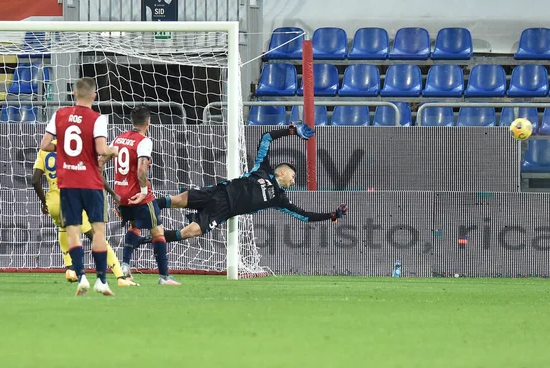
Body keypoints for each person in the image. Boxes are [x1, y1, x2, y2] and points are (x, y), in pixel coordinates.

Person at [155, 123, 348, 243]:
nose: (294, 180)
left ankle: (152, 238)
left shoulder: (279, 199)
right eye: (293, 176)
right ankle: (145, 207)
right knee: (178, 200)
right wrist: (291, 131)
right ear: (281, 172)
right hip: (220, 192)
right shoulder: (262, 168)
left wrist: (330, 215)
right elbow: (266, 138)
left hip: (224, 211)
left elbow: (304, 216)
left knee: (191, 232)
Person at [39, 77, 118, 296]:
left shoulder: (59, 115)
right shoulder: (97, 119)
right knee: (98, 231)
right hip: (91, 183)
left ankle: (81, 276)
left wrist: (61, 148)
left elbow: (45, 145)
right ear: (94, 96)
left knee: (73, 231)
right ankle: (102, 280)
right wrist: (113, 151)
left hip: (68, 183)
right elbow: (101, 149)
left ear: (74, 94)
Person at [31, 140, 138, 287]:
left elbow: (35, 179)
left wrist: (44, 202)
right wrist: (112, 193)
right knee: (97, 237)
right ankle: (120, 277)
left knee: (63, 227)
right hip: (71, 198)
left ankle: (69, 268)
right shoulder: (74, 148)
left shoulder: (44, 149)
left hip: (53, 202)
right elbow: (95, 174)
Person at [102, 105, 181, 286]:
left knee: (134, 227)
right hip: (139, 196)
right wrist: (144, 191)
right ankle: (164, 277)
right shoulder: (144, 141)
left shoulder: (118, 138)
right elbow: (141, 168)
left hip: (121, 195)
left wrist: (112, 192)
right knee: (158, 232)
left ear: (132, 120)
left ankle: (126, 266)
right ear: (148, 122)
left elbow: (100, 163)